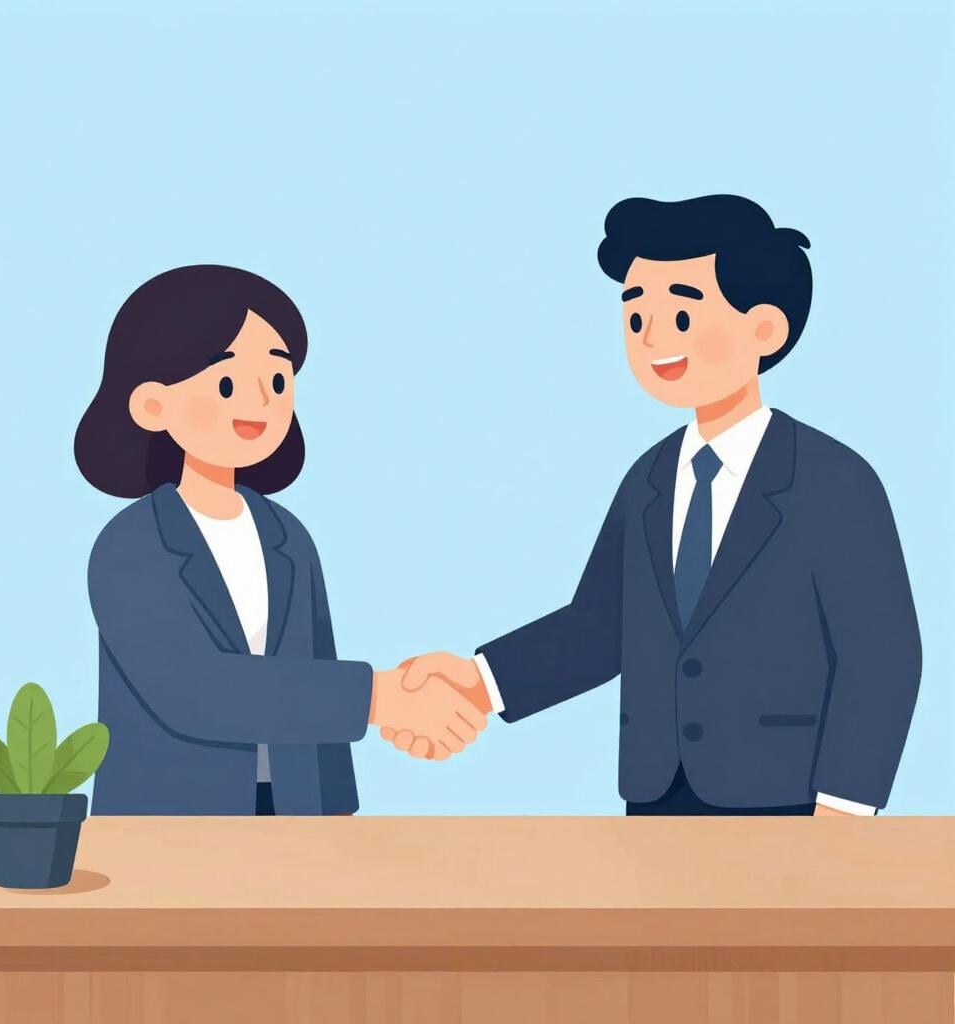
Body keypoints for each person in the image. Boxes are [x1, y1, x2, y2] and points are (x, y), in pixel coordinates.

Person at [389, 195, 922, 817]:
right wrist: (478, 682)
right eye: (636, 317)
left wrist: (845, 807)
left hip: (788, 803)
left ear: (765, 329)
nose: (653, 340)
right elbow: (599, 626)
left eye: (682, 316)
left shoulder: (833, 480)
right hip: (657, 798)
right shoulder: (649, 479)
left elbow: (882, 653)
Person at [76, 265, 485, 815]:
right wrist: (381, 698)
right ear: (153, 404)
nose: (261, 402)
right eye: (226, 382)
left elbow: (314, 664)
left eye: (277, 380)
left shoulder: (288, 536)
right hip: (173, 819)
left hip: (292, 812)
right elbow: (194, 690)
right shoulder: (131, 545)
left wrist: (337, 816)